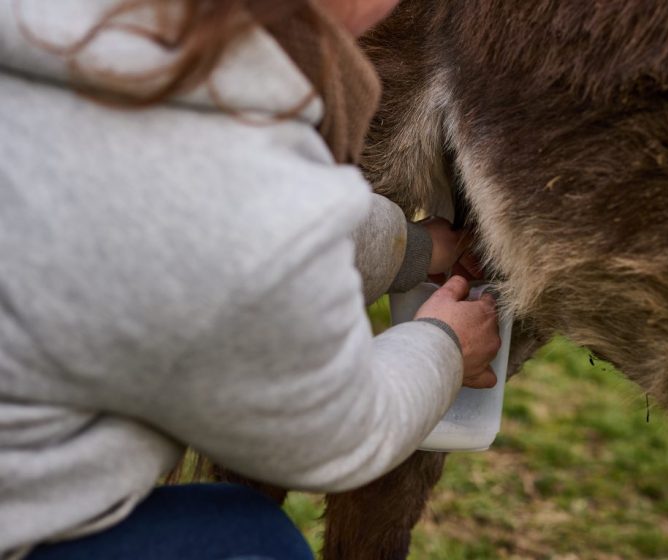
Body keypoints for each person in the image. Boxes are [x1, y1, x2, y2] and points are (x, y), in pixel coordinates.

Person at [0, 0, 501, 558]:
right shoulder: (248, 188)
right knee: (251, 544)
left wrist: (414, 249)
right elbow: (333, 434)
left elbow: (223, 222)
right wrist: (447, 346)